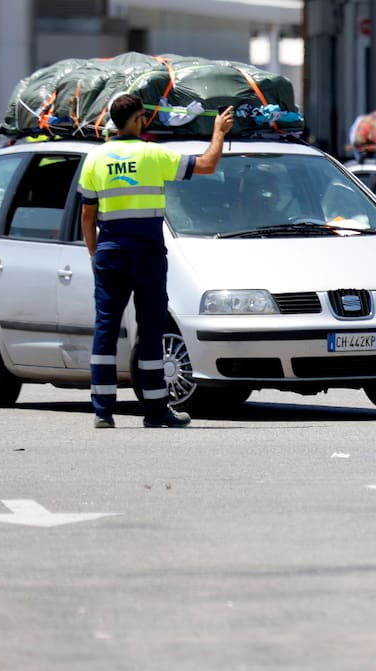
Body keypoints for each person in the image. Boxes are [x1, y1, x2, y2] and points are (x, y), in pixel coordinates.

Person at [78, 94, 234, 429]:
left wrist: (93, 254)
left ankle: (102, 411)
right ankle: (155, 410)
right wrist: (218, 132)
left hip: (110, 253)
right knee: (150, 329)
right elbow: (207, 165)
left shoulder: (95, 158)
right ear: (138, 119)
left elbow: (87, 215)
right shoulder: (152, 154)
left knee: (106, 329)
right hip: (146, 254)